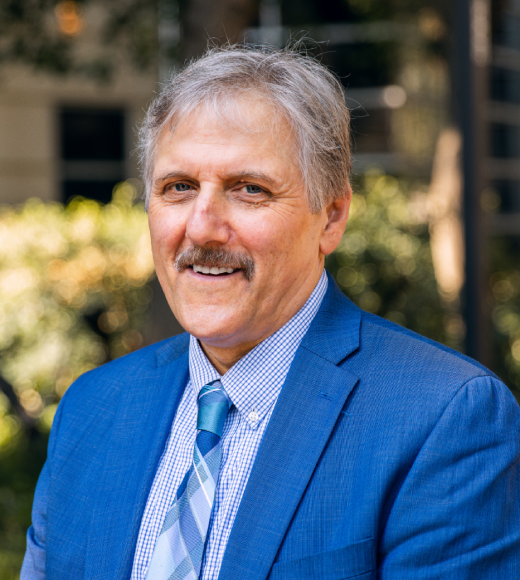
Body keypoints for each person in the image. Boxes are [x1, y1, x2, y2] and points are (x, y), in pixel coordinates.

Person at [21, 45, 520, 580]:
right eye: (178, 188)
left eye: (249, 189)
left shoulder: (446, 418)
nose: (202, 227)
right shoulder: (93, 409)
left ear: (330, 217)